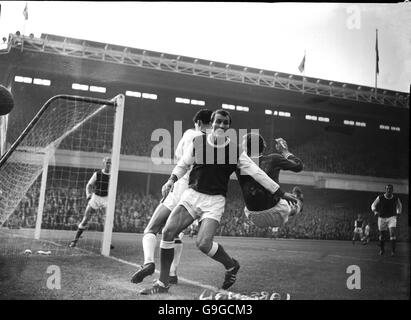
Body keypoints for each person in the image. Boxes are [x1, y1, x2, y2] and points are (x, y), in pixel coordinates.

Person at [140, 109, 297, 295]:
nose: (222, 125)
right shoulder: (198, 143)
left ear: (229, 126)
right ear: (212, 123)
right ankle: (162, 283)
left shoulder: (235, 151)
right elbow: (183, 164)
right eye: (219, 121)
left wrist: (280, 192)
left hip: (214, 201)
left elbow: (257, 173)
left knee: (203, 244)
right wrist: (171, 179)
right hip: (192, 195)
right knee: (168, 232)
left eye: (226, 123)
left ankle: (231, 265)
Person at [131, 109, 213, 285]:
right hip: (197, 192)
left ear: (198, 122)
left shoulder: (191, 133)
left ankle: (149, 262)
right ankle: (173, 273)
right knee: (175, 234)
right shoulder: (217, 142)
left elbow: (179, 157)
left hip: (181, 185)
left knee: (151, 229)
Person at [237, 133, 304, 230]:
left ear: (246, 149)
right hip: (278, 212)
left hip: (253, 216)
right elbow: (298, 166)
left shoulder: (239, 163)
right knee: (290, 207)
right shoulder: (273, 159)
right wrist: (285, 151)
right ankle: (299, 205)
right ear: (263, 146)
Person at [69, 157, 113, 248]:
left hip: (106, 199)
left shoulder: (113, 175)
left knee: (108, 221)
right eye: (107, 162)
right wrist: (88, 195)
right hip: (96, 197)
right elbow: (89, 185)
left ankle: (108, 242)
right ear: (103, 163)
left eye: (110, 163)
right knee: (85, 219)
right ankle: (75, 241)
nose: (109, 164)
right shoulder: (97, 174)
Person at [371, 184, 402, 256]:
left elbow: (399, 206)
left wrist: (398, 212)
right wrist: (375, 211)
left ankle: (393, 251)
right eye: (387, 189)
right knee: (382, 235)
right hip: (381, 218)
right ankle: (382, 250)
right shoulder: (380, 197)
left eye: (390, 189)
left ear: (392, 190)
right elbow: (373, 205)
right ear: (385, 190)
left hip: (392, 217)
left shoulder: (396, 198)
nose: (389, 190)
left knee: (392, 233)